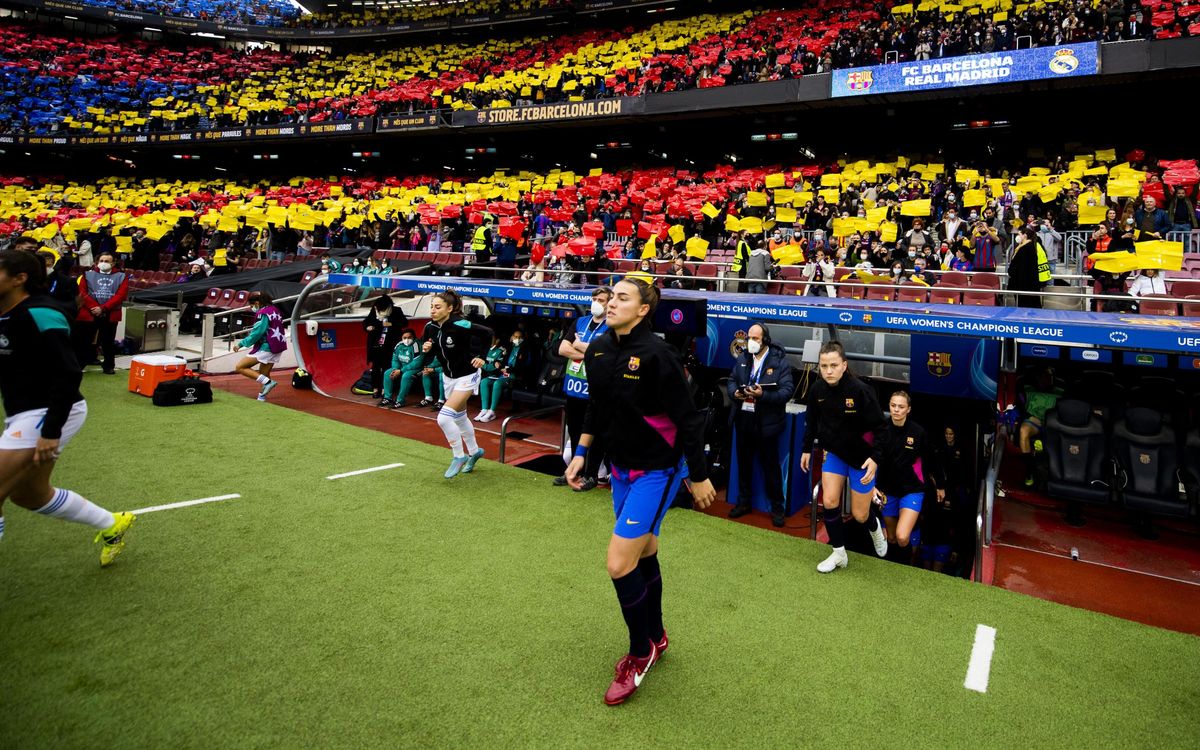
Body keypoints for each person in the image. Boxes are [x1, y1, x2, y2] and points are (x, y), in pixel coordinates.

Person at [565, 277, 716, 706]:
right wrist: (582, 454)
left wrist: (699, 475)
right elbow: (597, 406)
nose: (612, 303)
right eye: (611, 296)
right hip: (621, 467)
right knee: (645, 549)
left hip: (659, 469)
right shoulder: (596, 348)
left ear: (644, 309)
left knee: (618, 563)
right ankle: (658, 633)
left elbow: (689, 419)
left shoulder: (660, 355)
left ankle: (639, 651)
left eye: (622, 298)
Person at [0, 249, 134, 565]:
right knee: (29, 495)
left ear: (20, 279)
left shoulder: (41, 312)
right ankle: (111, 524)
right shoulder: (6, 311)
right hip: (23, 411)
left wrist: (51, 430)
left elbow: (69, 371)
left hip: (47, 411)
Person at [800, 341, 889, 573]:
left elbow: (882, 428)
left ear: (844, 365)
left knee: (860, 515)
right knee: (829, 501)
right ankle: (839, 553)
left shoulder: (860, 391)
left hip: (862, 459)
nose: (828, 370)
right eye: (824, 366)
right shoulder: (817, 390)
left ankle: (875, 527)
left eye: (833, 365)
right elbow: (811, 422)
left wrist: (875, 458)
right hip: (835, 455)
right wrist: (806, 449)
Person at [416, 290, 492, 478]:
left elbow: (487, 333)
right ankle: (475, 452)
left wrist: (482, 357)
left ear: (450, 309)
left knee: (443, 418)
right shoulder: (429, 327)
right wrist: (428, 348)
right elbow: (430, 347)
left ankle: (459, 456)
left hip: (467, 375)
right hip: (448, 377)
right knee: (458, 417)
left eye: (438, 307)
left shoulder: (459, 324)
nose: (433, 310)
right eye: (431, 306)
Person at [726, 323, 795, 527]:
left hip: (767, 423)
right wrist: (735, 393)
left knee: (770, 468)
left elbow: (787, 391)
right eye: (749, 338)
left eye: (755, 338)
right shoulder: (742, 359)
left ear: (765, 340)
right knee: (744, 465)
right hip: (744, 420)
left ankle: (777, 508)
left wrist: (762, 394)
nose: (751, 342)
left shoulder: (780, 362)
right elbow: (731, 380)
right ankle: (744, 502)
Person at [554, 286, 612, 492]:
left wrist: (579, 345)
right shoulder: (580, 322)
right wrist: (586, 350)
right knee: (576, 431)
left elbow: (605, 353)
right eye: (595, 298)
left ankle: (592, 474)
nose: (597, 302)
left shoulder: (611, 326)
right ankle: (573, 471)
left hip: (595, 389)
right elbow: (562, 348)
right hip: (573, 386)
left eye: (602, 299)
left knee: (594, 433)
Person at [873, 391, 940, 560]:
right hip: (887, 490)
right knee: (892, 537)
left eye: (901, 406)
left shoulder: (918, 432)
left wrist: (940, 485)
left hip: (912, 489)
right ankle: (892, 569)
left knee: (902, 537)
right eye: (893, 405)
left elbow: (931, 459)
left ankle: (909, 567)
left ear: (908, 409)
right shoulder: (882, 430)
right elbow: (872, 459)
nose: (896, 410)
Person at [74, 252, 128, 374]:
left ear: (113, 263)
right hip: (89, 312)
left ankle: (108, 366)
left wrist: (103, 308)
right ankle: (79, 365)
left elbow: (120, 295)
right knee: (84, 341)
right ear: (97, 262)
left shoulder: (121, 276)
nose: (103, 263)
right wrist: (94, 307)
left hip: (110, 313)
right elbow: (82, 292)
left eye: (107, 261)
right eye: (101, 260)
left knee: (108, 342)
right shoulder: (87, 275)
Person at [232, 291, 288, 401]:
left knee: (240, 367)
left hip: (267, 346)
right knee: (264, 374)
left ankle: (269, 383)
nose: (252, 308)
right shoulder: (275, 310)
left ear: (257, 302)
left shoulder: (263, 313)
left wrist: (241, 344)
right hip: (278, 345)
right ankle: (261, 397)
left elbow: (257, 332)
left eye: (252, 305)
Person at [1019, 367, 1062, 487]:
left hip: (1054, 424)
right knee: (1023, 431)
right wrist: (1029, 416)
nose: (1049, 379)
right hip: (1035, 421)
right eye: (1045, 376)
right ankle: (1029, 473)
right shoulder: (1027, 390)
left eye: (1051, 376)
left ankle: (1056, 477)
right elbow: (1020, 407)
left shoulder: (1061, 391)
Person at [363, 295, 408, 399]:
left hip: (390, 344)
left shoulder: (396, 311)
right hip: (376, 344)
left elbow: (405, 323)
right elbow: (366, 322)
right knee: (375, 368)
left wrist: (391, 324)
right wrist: (368, 327)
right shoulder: (374, 311)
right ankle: (375, 389)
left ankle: (385, 389)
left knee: (387, 367)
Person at [1006, 226, 1044, 309]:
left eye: (1019, 234)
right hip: (1023, 283)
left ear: (1025, 235)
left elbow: (1020, 266)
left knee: (1026, 306)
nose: (1018, 236)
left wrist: (1012, 271)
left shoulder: (1026, 248)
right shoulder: (1026, 247)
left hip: (1025, 284)